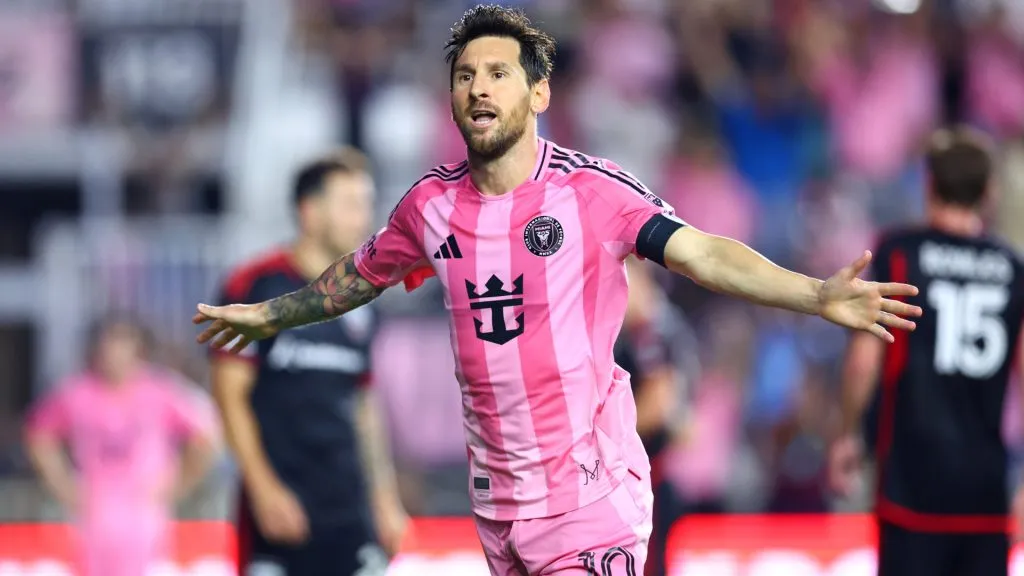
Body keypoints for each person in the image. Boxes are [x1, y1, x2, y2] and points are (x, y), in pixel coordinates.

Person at [193, 6, 921, 574]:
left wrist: (815, 296)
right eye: (465, 74)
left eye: (498, 73)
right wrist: (271, 313)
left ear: (539, 91)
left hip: (587, 499)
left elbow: (704, 255)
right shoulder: (428, 207)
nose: (478, 86)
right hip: (498, 506)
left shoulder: (591, 191)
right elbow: (356, 277)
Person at [828, 127, 1024, 576]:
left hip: (910, 483)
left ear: (928, 183)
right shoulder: (1013, 268)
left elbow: (863, 361)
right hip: (986, 490)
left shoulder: (900, 253)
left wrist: (848, 434)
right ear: (989, 192)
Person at [209, 149, 407, 576]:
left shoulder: (365, 299)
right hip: (280, 510)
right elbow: (229, 397)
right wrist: (263, 490)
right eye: (351, 204)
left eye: (366, 204)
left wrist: (385, 499)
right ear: (310, 212)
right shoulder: (254, 286)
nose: (363, 217)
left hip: (349, 511)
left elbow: (363, 406)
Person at [24, 315, 217, 576]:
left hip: (144, 512)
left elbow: (205, 435)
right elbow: (39, 434)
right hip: (93, 511)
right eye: (109, 347)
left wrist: (180, 483)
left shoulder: (161, 391)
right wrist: (62, 484)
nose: (115, 356)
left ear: (140, 352)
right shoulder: (77, 393)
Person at [614, 256, 698, 576]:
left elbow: (660, 401)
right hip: (649, 477)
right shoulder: (657, 327)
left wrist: (600, 440)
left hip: (645, 478)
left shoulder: (649, 329)